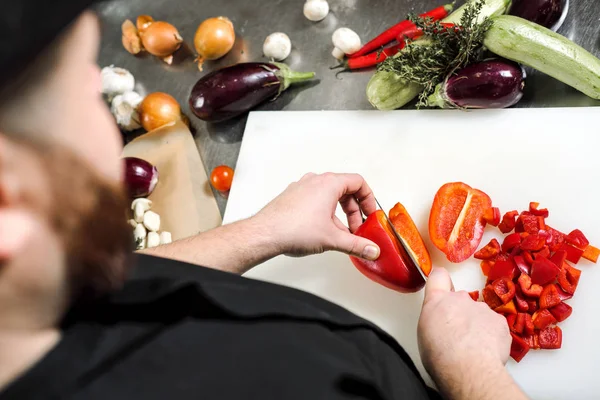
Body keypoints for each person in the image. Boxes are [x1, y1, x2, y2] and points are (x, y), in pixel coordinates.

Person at [0, 1, 528, 399]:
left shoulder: (36, 302)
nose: (107, 97)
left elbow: (112, 290)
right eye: (80, 89)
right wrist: (475, 377)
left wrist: (257, 232)